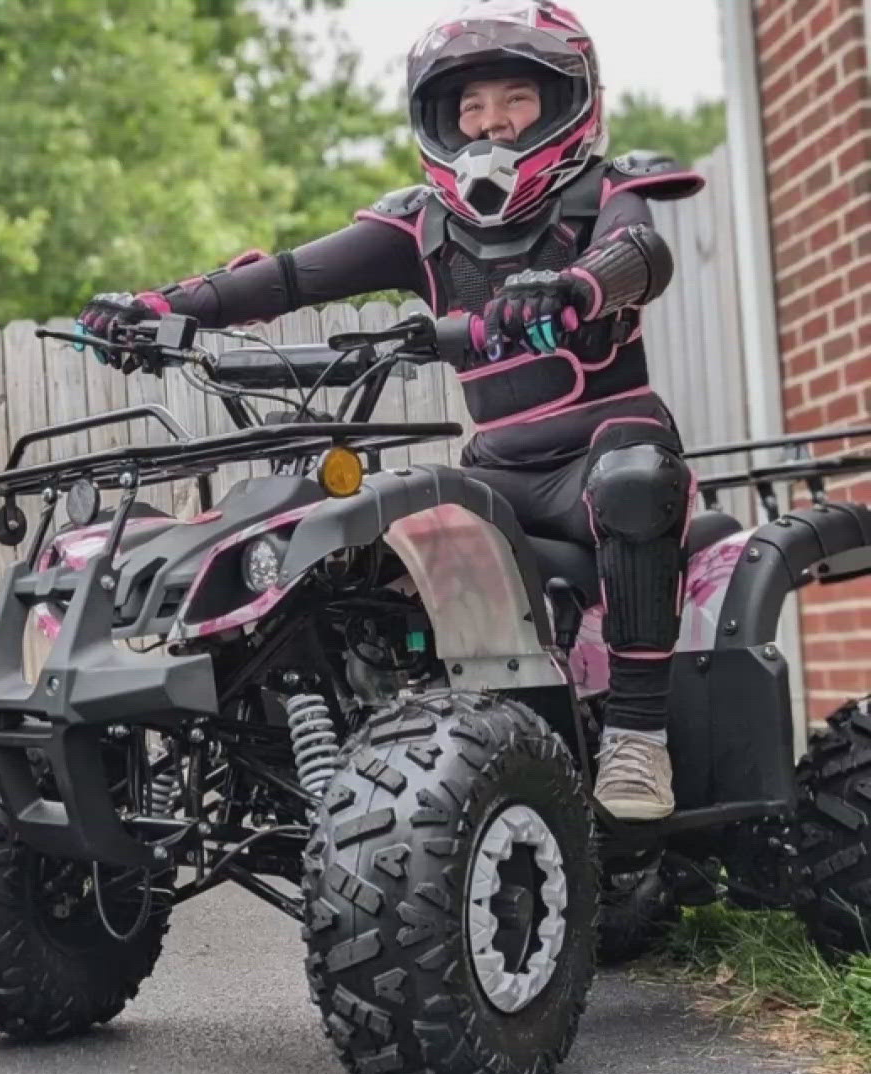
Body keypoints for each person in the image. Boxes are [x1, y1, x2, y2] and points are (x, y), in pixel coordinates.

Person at [76, 0, 703, 821]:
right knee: (375, 535)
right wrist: (158, 306)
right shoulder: (421, 222)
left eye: (515, 99)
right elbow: (289, 278)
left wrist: (579, 284)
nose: (492, 123)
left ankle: (636, 738)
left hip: (604, 449)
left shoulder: (609, 187)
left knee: (634, 478)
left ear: (565, 102)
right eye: (470, 106)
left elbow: (638, 254)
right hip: (501, 469)